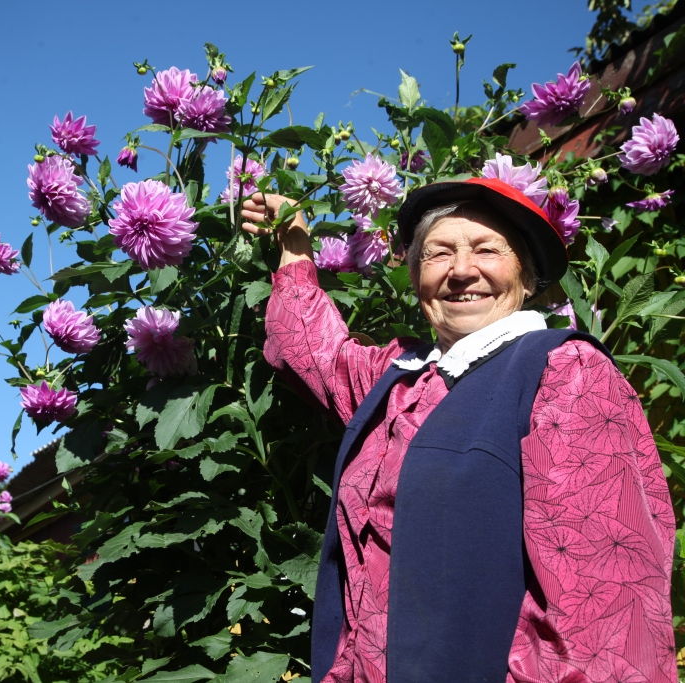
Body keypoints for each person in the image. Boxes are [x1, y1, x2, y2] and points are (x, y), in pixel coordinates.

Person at [241, 177, 675, 683]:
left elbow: (607, 614)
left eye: (487, 250)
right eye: (437, 254)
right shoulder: (402, 382)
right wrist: (294, 245)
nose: (461, 271)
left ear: (528, 277)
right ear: (415, 277)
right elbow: (311, 350)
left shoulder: (562, 371)